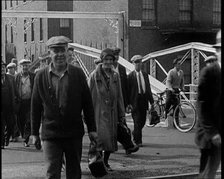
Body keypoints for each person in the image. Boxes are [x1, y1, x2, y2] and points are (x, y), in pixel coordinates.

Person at [31, 36, 98, 179]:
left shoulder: (77, 74)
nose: (60, 54)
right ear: (50, 53)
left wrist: (92, 129)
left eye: (63, 50)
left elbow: (87, 103)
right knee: (52, 172)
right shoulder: (40, 76)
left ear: (68, 52)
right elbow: (35, 106)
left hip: (73, 132)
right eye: (56, 51)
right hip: (51, 133)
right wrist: (34, 133)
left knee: (74, 172)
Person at [88, 48, 126, 171]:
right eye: (106, 59)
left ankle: (105, 161)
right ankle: (97, 162)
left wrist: (121, 114)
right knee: (99, 139)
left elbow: (119, 95)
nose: (109, 62)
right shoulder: (94, 76)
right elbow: (87, 95)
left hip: (112, 113)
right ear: (102, 60)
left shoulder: (115, 75)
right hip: (98, 112)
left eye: (111, 59)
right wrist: (87, 114)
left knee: (110, 140)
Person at [195, 29, 221, 179]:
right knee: (207, 173)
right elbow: (202, 107)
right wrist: (213, 133)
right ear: (217, 52)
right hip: (210, 135)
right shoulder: (209, 73)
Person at [112, 47, 139, 155]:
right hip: (109, 103)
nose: (116, 58)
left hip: (121, 102)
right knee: (117, 126)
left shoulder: (122, 69)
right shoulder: (106, 68)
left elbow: (125, 87)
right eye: (114, 55)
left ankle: (128, 146)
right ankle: (127, 146)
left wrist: (128, 102)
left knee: (121, 124)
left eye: (118, 55)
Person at [127, 55, 154, 147]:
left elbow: (148, 88)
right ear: (133, 64)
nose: (138, 64)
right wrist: (128, 104)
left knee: (142, 121)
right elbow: (128, 91)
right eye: (136, 62)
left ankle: (135, 133)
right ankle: (138, 141)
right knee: (137, 121)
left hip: (143, 100)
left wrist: (152, 101)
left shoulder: (145, 75)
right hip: (135, 101)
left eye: (140, 62)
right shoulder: (130, 76)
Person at [15, 59, 35, 147]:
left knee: (29, 120)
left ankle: (26, 139)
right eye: (23, 66)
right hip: (20, 102)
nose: (25, 67)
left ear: (29, 66)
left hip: (30, 101)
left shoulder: (33, 76)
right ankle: (24, 135)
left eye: (26, 66)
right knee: (21, 121)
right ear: (20, 67)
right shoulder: (17, 77)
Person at [1, 60, 18, 148]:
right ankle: (2, 142)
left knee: (11, 125)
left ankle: (7, 138)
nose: (2, 69)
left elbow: (15, 91)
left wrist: (17, 101)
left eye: (3, 67)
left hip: (9, 107)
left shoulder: (11, 78)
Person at [164, 57, 185, 127]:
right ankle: (165, 111)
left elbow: (182, 81)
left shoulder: (181, 72)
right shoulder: (171, 72)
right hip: (170, 89)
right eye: (178, 64)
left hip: (176, 90)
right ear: (175, 65)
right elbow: (168, 81)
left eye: (180, 64)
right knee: (168, 101)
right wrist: (170, 88)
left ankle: (176, 124)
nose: (180, 65)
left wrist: (182, 88)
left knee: (177, 106)